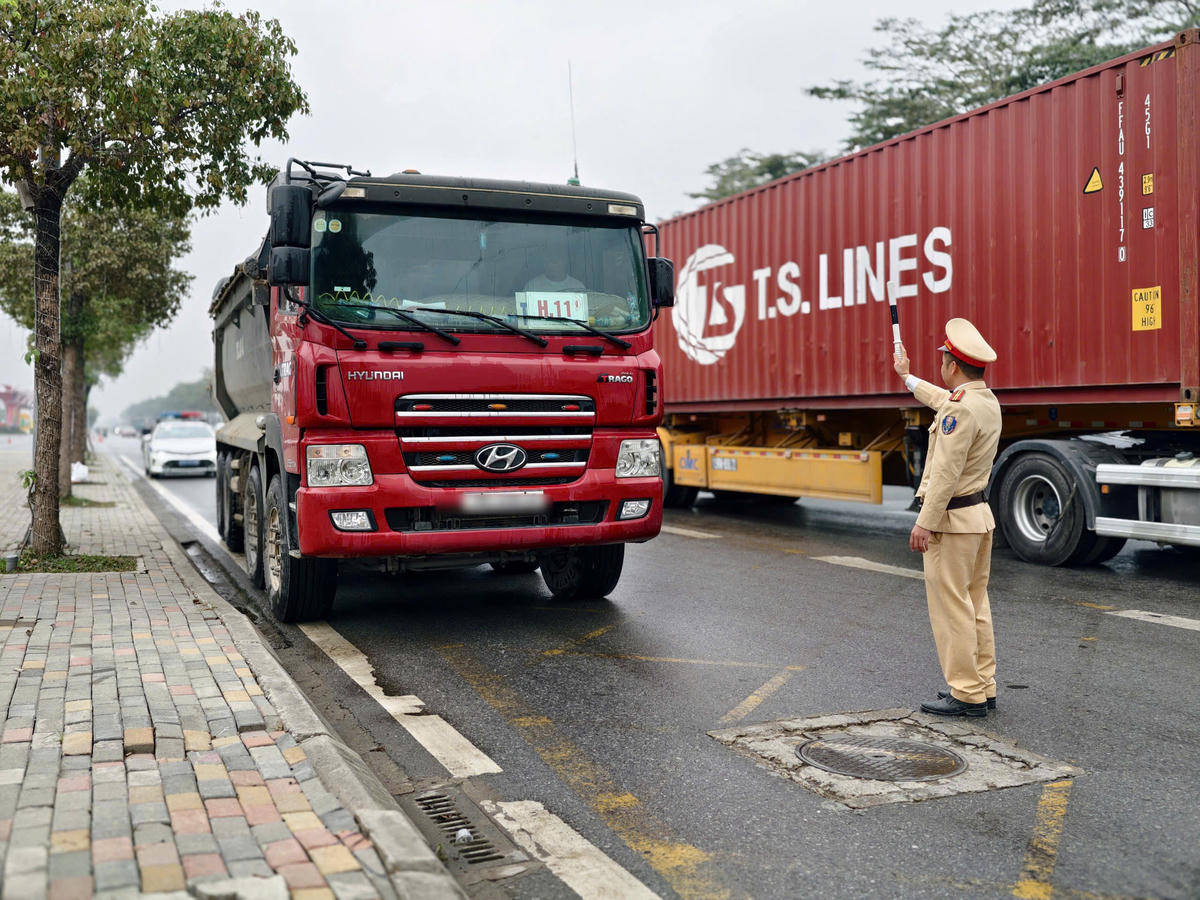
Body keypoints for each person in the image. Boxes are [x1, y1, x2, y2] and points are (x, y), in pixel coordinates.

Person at [893, 318, 1002, 718]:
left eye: (942, 359)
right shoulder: (984, 402)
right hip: (978, 517)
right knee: (975, 604)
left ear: (952, 365)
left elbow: (944, 474)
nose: (941, 365)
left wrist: (925, 521)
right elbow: (944, 400)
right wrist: (907, 378)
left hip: (952, 522)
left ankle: (965, 692)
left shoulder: (961, 411)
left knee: (951, 607)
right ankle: (983, 686)